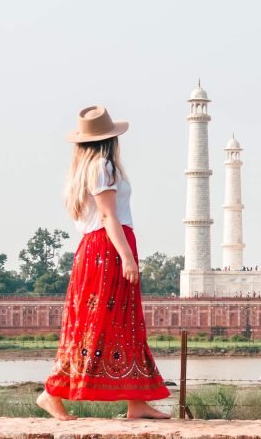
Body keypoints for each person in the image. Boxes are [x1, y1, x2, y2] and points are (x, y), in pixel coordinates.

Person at [38, 106, 170, 420]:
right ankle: (51, 393)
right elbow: (109, 216)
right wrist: (126, 257)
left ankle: (137, 401)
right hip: (108, 249)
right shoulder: (103, 166)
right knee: (98, 325)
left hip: (101, 247)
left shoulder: (87, 169)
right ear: (109, 139)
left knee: (121, 324)